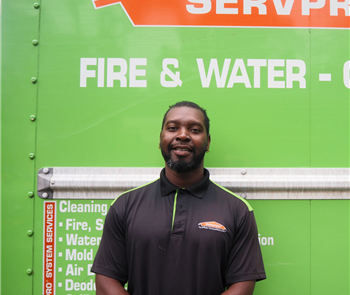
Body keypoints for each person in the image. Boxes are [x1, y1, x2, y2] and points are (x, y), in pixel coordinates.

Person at [91, 101, 266, 295]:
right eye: (173, 128)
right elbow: (106, 281)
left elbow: (242, 286)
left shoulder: (237, 210)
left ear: (207, 142)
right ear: (160, 139)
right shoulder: (125, 205)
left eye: (194, 129)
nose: (182, 135)